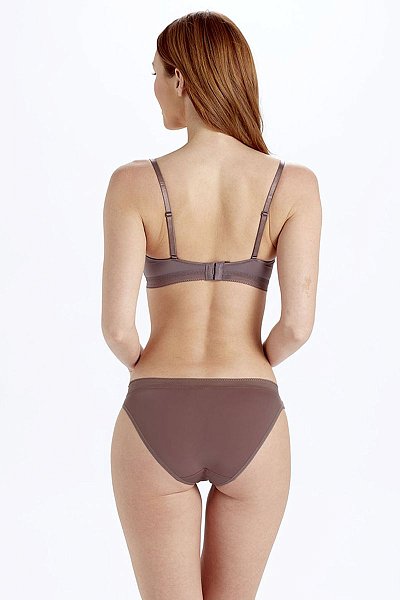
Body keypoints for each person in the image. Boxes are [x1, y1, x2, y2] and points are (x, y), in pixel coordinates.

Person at [101, 10, 322, 600]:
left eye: (156, 73)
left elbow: (117, 328)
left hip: (156, 413)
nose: (154, 88)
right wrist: (253, 364)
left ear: (181, 79)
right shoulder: (294, 185)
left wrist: (151, 370)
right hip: (254, 415)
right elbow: (297, 326)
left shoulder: (133, 184)